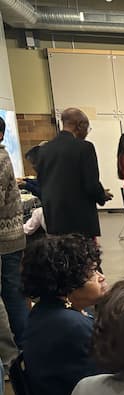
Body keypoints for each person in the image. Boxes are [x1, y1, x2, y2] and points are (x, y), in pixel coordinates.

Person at [22, 235, 106, 395]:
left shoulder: (48, 312)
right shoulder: (69, 326)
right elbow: (113, 383)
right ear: (66, 283)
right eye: (92, 273)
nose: (102, 277)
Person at [36, 107, 112, 238]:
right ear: (80, 126)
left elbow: (42, 183)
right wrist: (101, 195)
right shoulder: (85, 147)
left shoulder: (44, 150)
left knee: (59, 257)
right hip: (79, 221)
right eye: (87, 128)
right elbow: (91, 183)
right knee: (81, 256)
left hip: (54, 219)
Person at [0, 116, 28, 348]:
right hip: (10, 237)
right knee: (12, 292)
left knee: (11, 293)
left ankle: (19, 350)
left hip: (5, 240)